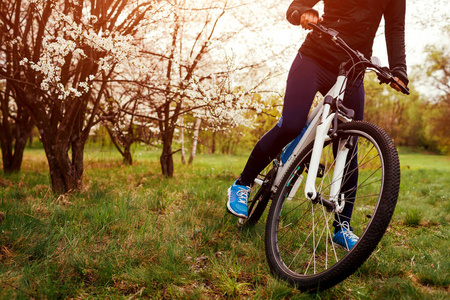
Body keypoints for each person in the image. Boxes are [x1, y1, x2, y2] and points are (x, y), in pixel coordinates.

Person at [227, 0, 408, 249]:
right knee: (291, 124)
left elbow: (395, 28)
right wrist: (302, 13)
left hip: (353, 68)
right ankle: (243, 184)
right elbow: (296, 6)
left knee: (348, 145)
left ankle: (342, 226)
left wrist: (399, 69)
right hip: (315, 58)